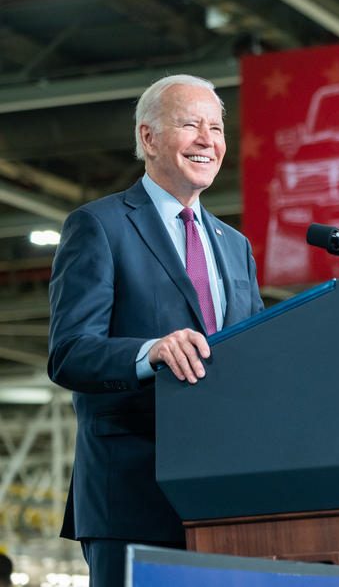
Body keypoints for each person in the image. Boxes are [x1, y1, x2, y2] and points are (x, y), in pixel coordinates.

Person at [47, 74, 265, 586]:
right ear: (148, 138)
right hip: (132, 496)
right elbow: (70, 353)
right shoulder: (98, 225)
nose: (208, 140)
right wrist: (151, 351)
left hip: (227, 495)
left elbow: (254, 350)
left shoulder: (234, 244)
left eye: (216, 127)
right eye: (190, 125)